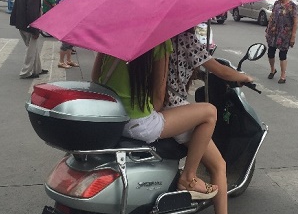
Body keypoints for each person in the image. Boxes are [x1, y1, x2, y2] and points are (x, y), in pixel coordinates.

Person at [91, 43, 219, 202]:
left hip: (111, 117)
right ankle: (189, 177)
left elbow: (95, 78)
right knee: (209, 112)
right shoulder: (160, 43)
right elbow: (159, 96)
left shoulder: (111, 35)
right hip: (138, 124)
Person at [164, 28, 253, 214]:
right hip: (175, 110)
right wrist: (243, 77)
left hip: (158, 109)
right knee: (219, 165)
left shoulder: (161, 37)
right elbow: (220, 70)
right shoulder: (185, 37)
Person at [9, 0, 48, 79]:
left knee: (33, 48)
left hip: (21, 23)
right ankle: (26, 72)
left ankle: (37, 69)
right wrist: (36, 29)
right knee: (31, 49)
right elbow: (33, 13)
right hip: (29, 26)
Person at [265, 0, 298, 84]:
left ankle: (283, 75)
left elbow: (295, 22)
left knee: (282, 54)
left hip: (285, 34)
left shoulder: (292, 6)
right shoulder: (276, 4)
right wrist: (267, 30)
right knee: (270, 52)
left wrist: (293, 36)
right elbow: (272, 17)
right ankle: (272, 70)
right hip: (273, 32)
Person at [55, 0, 79, 69]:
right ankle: (61, 61)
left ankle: (69, 60)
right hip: (66, 23)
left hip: (71, 22)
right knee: (65, 43)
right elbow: (64, 10)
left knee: (70, 43)